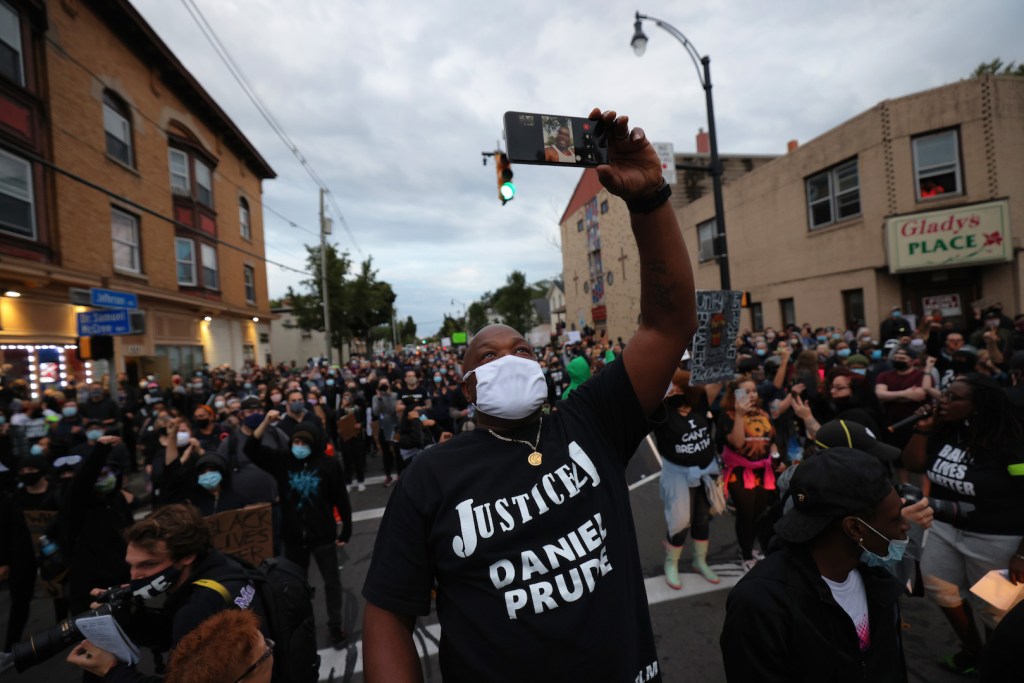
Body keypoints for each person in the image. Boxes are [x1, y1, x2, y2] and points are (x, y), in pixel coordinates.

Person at [361, 107, 697, 683]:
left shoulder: (591, 419)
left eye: (520, 349)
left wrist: (651, 200)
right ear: (467, 389)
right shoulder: (431, 478)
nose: (508, 359)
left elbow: (668, 326)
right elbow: (389, 609)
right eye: (487, 358)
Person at [720, 448, 909, 682]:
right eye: (896, 518)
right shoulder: (760, 604)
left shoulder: (876, 578)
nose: (906, 526)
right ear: (855, 528)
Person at [901, 374, 1024, 675]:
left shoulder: (1009, 443)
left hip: (997, 537)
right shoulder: (947, 432)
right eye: (945, 394)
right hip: (944, 528)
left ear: (977, 406)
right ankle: (975, 652)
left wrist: (1022, 553)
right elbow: (914, 465)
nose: (943, 400)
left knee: (995, 609)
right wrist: (921, 429)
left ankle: (999, 667)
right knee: (938, 585)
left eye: (953, 398)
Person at [66, 503, 266, 682]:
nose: (135, 576)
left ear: (187, 556)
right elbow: (171, 632)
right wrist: (130, 616)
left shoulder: (197, 608)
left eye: (149, 564)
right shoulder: (222, 564)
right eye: (132, 565)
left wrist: (111, 670)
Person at [246, 412, 351, 648]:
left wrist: (346, 528)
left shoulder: (329, 464)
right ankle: (304, 627)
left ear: (314, 443)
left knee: (331, 583)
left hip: (323, 536)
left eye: (304, 443)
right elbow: (250, 449)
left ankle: (336, 625)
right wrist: (265, 423)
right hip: (293, 538)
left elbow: (340, 498)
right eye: (296, 442)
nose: (299, 447)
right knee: (296, 587)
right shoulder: (283, 462)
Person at [651, 369, 722, 587]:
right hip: (677, 474)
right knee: (680, 521)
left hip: (705, 470)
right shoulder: (660, 411)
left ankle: (700, 561)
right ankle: (671, 563)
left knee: (702, 518)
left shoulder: (700, 401)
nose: (672, 390)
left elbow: (717, 380)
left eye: (676, 386)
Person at [717, 379, 780, 571]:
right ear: (735, 395)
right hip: (740, 473)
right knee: (745, 515)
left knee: (758, 513)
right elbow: (736, 443)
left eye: (754, 391)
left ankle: (751, 548)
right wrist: (739, 415)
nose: (752, 395)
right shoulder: (727, 416)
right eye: (746, 391)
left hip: (764, 471)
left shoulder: (763, 413)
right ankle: (745, 554)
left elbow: (772, 440)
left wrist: (777, 457)